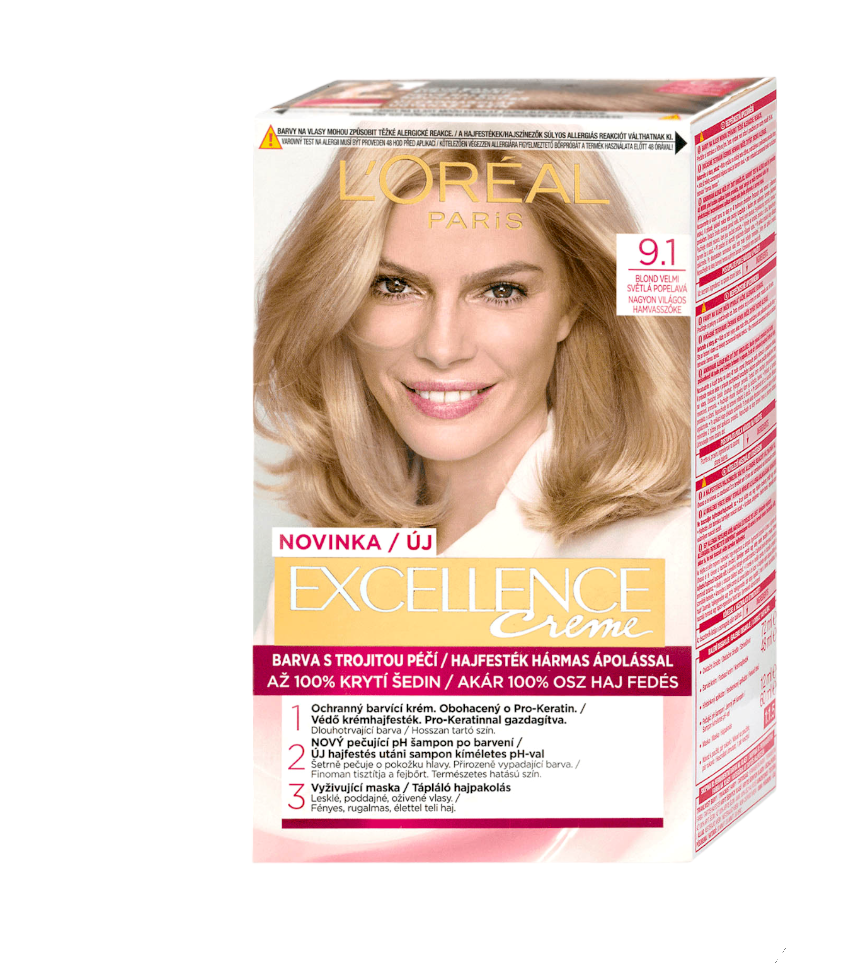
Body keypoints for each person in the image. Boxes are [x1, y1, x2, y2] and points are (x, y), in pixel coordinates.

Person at [255, 147, 691, 640]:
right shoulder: (324, 577)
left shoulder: (662, 561)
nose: (442, 348)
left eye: (502, 291)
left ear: (572, 305)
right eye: (394, 286)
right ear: (342, 301)